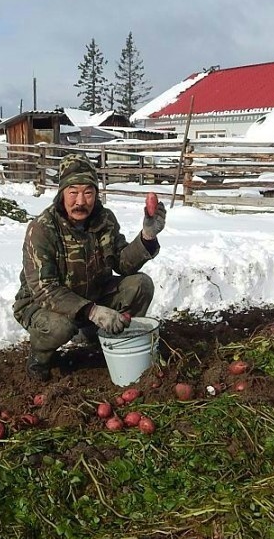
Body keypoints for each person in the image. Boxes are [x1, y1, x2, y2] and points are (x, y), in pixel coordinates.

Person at [13, 154, 167, 382]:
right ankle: (40, 358)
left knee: (141, 284)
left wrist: (147, 237)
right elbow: (45, 289)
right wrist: (93, 311)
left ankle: (105, 339)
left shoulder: (104, 219)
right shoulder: (42, 229)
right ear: (62, 193)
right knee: (61, 327)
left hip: (94, 295)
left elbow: (123, 264)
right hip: (43, 305)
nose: (80, 201)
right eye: (73, 192)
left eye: (88, 192)